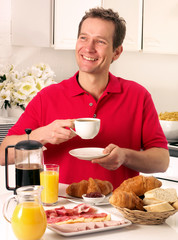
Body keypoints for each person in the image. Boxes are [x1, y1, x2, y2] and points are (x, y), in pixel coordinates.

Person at [0, 8, 169, 189]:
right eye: (83, 38)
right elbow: (3, 155)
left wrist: (125, 156)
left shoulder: (138, 96)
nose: (88, 48)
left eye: (100, 41)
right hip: (60, 208)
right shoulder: (47, 97)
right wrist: (40, 135)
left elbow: (161, 161)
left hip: (118, 210)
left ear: (117, 52)